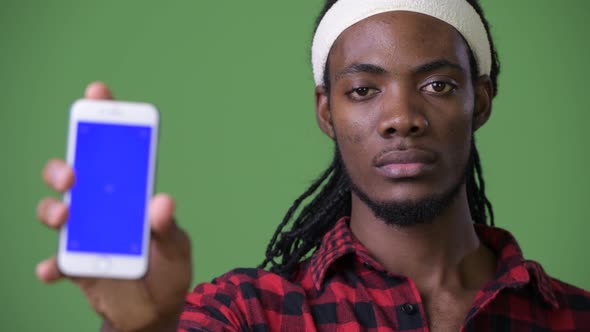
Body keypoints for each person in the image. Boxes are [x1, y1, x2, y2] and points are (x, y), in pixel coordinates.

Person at [36, 0, 590, 331]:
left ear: (482, 102)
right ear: (327, 111)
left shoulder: (574, 317)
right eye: (364, 89)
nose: (401, 117)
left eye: (437, 85)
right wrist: (145, 327)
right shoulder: (246, 314)